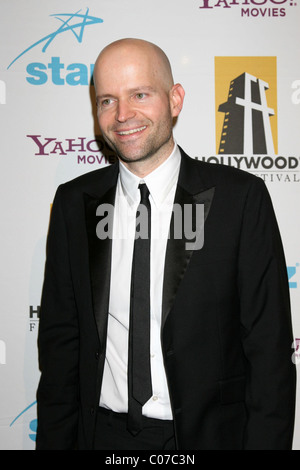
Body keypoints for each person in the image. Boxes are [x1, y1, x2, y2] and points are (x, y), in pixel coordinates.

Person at [36, 38, 296, 450]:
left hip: (206, 438)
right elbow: (60, 347)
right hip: (101, 437)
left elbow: (270, 355)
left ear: (175, 100)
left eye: (140, 94)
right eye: (107, 100)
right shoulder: (73, 203)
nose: (123, 115)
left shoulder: (239, 200)